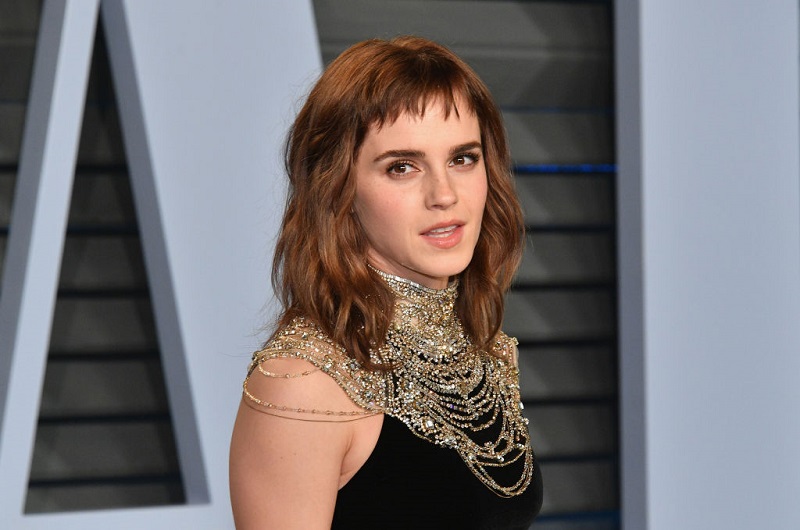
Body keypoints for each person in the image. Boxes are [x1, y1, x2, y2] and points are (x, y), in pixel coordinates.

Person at [229, 35, 543, 529]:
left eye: (463, 158)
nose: (444, 194)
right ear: (338, 189)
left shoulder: (483, 350)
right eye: (402, 167)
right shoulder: (303, 383)